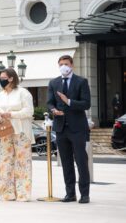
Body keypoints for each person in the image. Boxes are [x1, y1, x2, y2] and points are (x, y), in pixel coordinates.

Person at [47, 55, 91, 204]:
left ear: (72, 65)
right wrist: (53, 110)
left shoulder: (81, 81)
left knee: (81, 161)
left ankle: (84, 194)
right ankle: (70, 194)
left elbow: (86, 104)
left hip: (78, 128)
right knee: (66, 163)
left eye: (65, 64)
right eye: (60, 64)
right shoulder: (54, 83)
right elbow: (49, 103)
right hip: (60, 128)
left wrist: (69, 101)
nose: (63, 66)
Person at [0, 68, 34, 202]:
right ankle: (6, 193)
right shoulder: (0, 95)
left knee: (22, 162)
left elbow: (29, 111)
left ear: (11, 78)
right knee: (5, 162)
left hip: (21, 131)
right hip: (5, 131)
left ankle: (23, 194)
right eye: (0, 77)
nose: (1, 80)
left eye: (3, 77)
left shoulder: (23, 93)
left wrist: (11, 114)